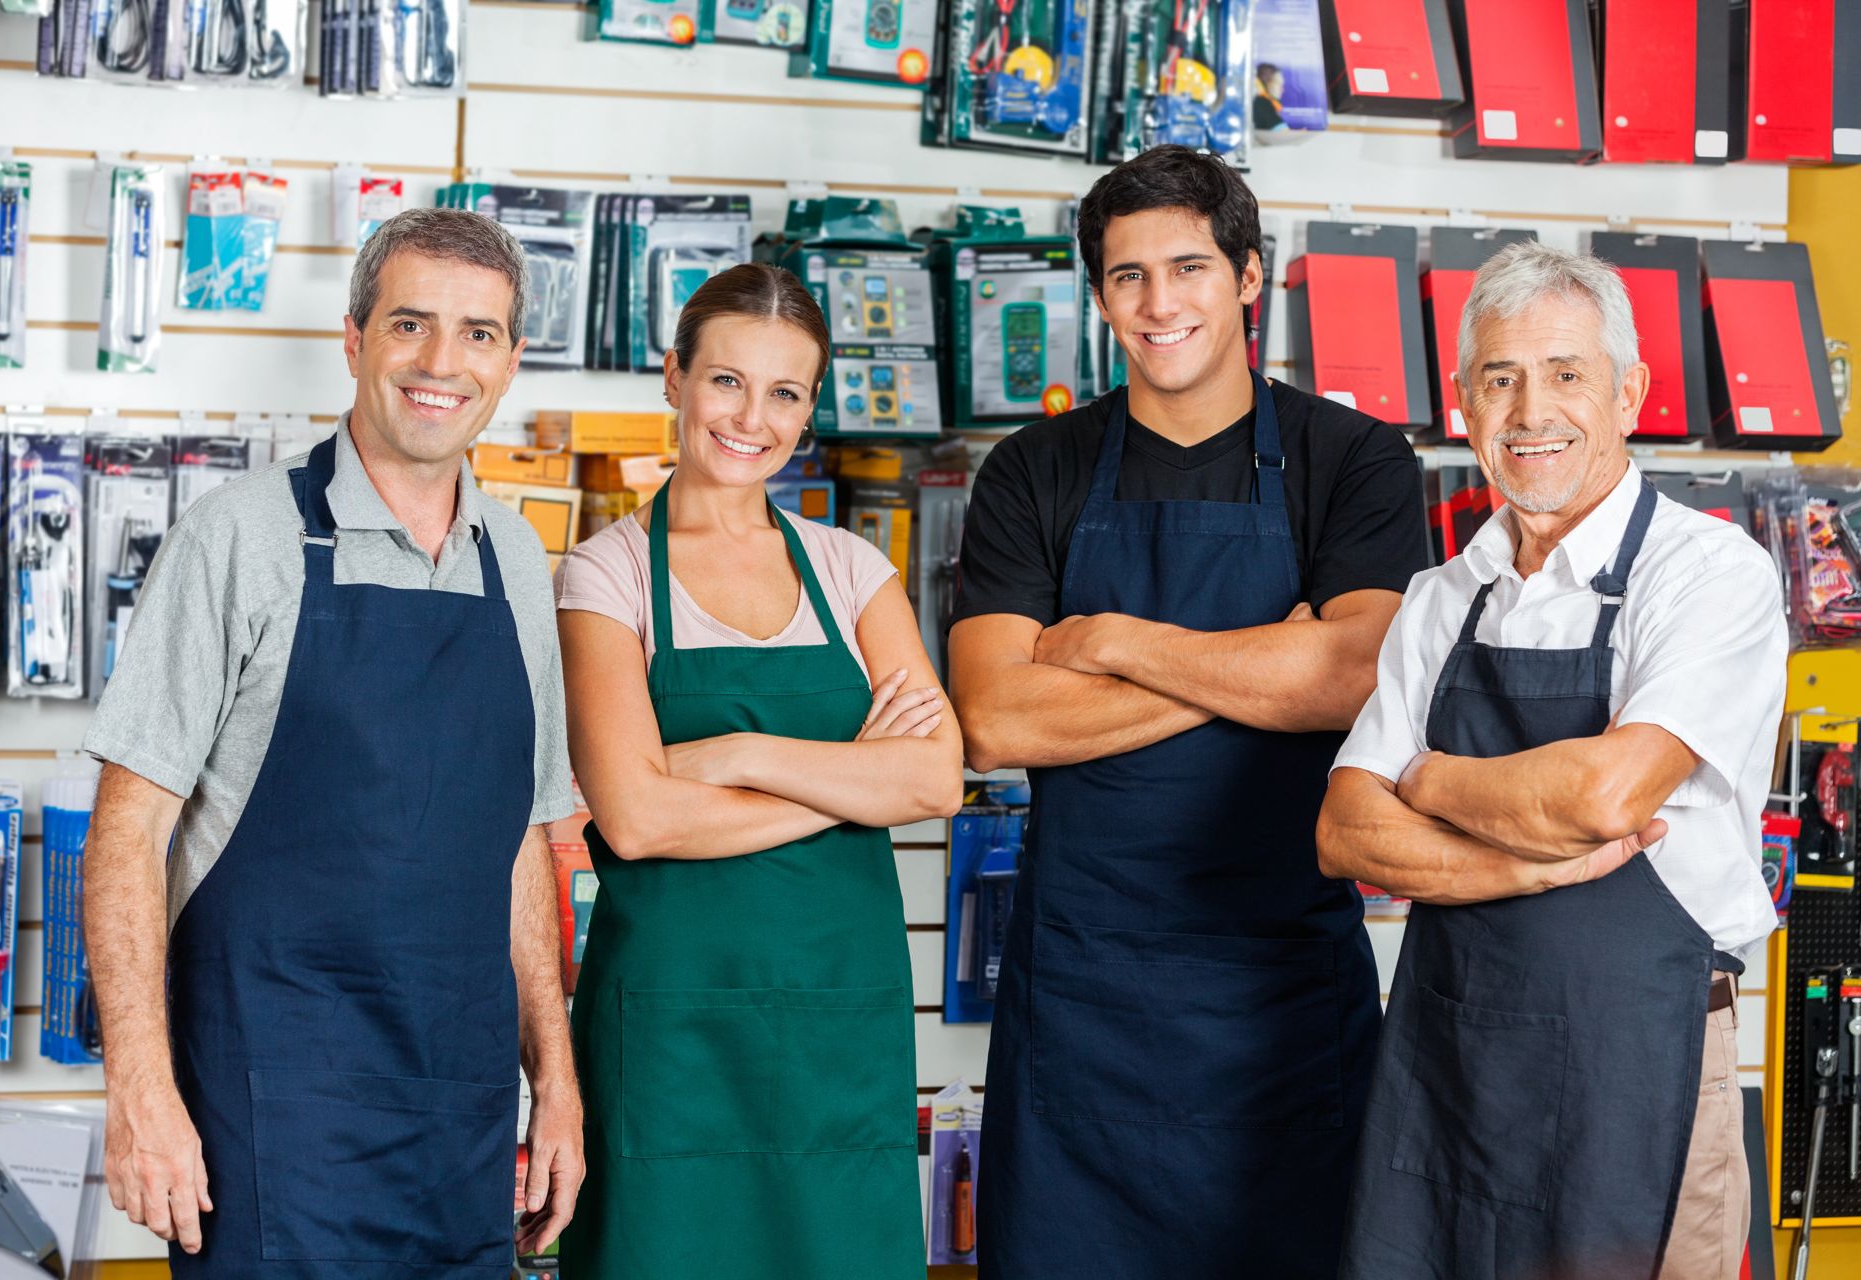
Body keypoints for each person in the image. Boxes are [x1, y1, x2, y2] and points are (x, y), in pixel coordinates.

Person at [950, 145, 1428, 1278]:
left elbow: (1358, 674)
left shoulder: (1350, 459)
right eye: (1127, 277)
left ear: (1250, 276)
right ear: (1099, 292)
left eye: (1189, 268)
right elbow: (998, 719)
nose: (1159, 305)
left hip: (1281, 1005)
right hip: (1084, 998)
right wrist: (1269, 663)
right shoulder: (1033, 468)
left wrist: (1119, 643)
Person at [82, 208, 584, 1278]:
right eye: (410, 324)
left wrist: (559, 1078)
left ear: (510, 360)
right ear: (354, 340)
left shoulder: (518, 561)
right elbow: (128, 831)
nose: (442, 362)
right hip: (270, 1116)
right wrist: (139, 1085)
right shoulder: (241, 536)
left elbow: (519, 846)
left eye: (479, 333)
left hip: (461, 1117)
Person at [1321, 242, 1787, 1280]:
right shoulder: (1444, 596)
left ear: (1631, 393)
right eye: (1501, 377)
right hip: (1450, 1073)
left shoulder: (1711, 573)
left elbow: (1606, 792)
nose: (1532, 411)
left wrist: (1430, 780)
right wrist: (1530, 859)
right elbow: (1346, 827)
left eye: (1567, 374)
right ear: (1464, 405)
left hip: (1644, 1067)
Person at [556, 262, 964, 1280]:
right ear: (674, 378)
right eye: (727, 380)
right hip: (671, 1034)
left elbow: (932, 782)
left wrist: (737, 756)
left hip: (842, 1028)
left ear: (811, 406)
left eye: (785, 391)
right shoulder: (602, 573)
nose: (752, 417)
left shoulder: (849, 568)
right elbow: (639, 817)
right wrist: (846, 775)